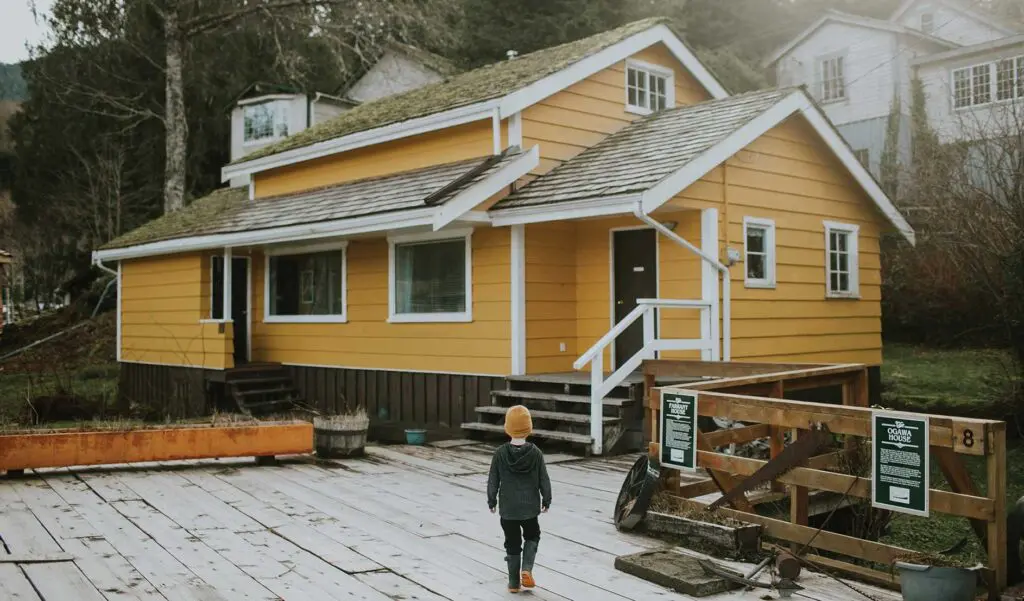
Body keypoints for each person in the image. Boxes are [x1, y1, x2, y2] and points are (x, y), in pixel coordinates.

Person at [487, 405, 552, 593]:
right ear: (529, 428)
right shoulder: (536, 453)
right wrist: (546, 499)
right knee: (532, 536)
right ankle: (527, 569)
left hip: (508, 509)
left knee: (512, 543)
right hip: (530, 508)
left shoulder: (500, 453)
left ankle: (514, 583)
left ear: (507, 428)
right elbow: (543, 479)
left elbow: (493, 479)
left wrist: (492, 500)